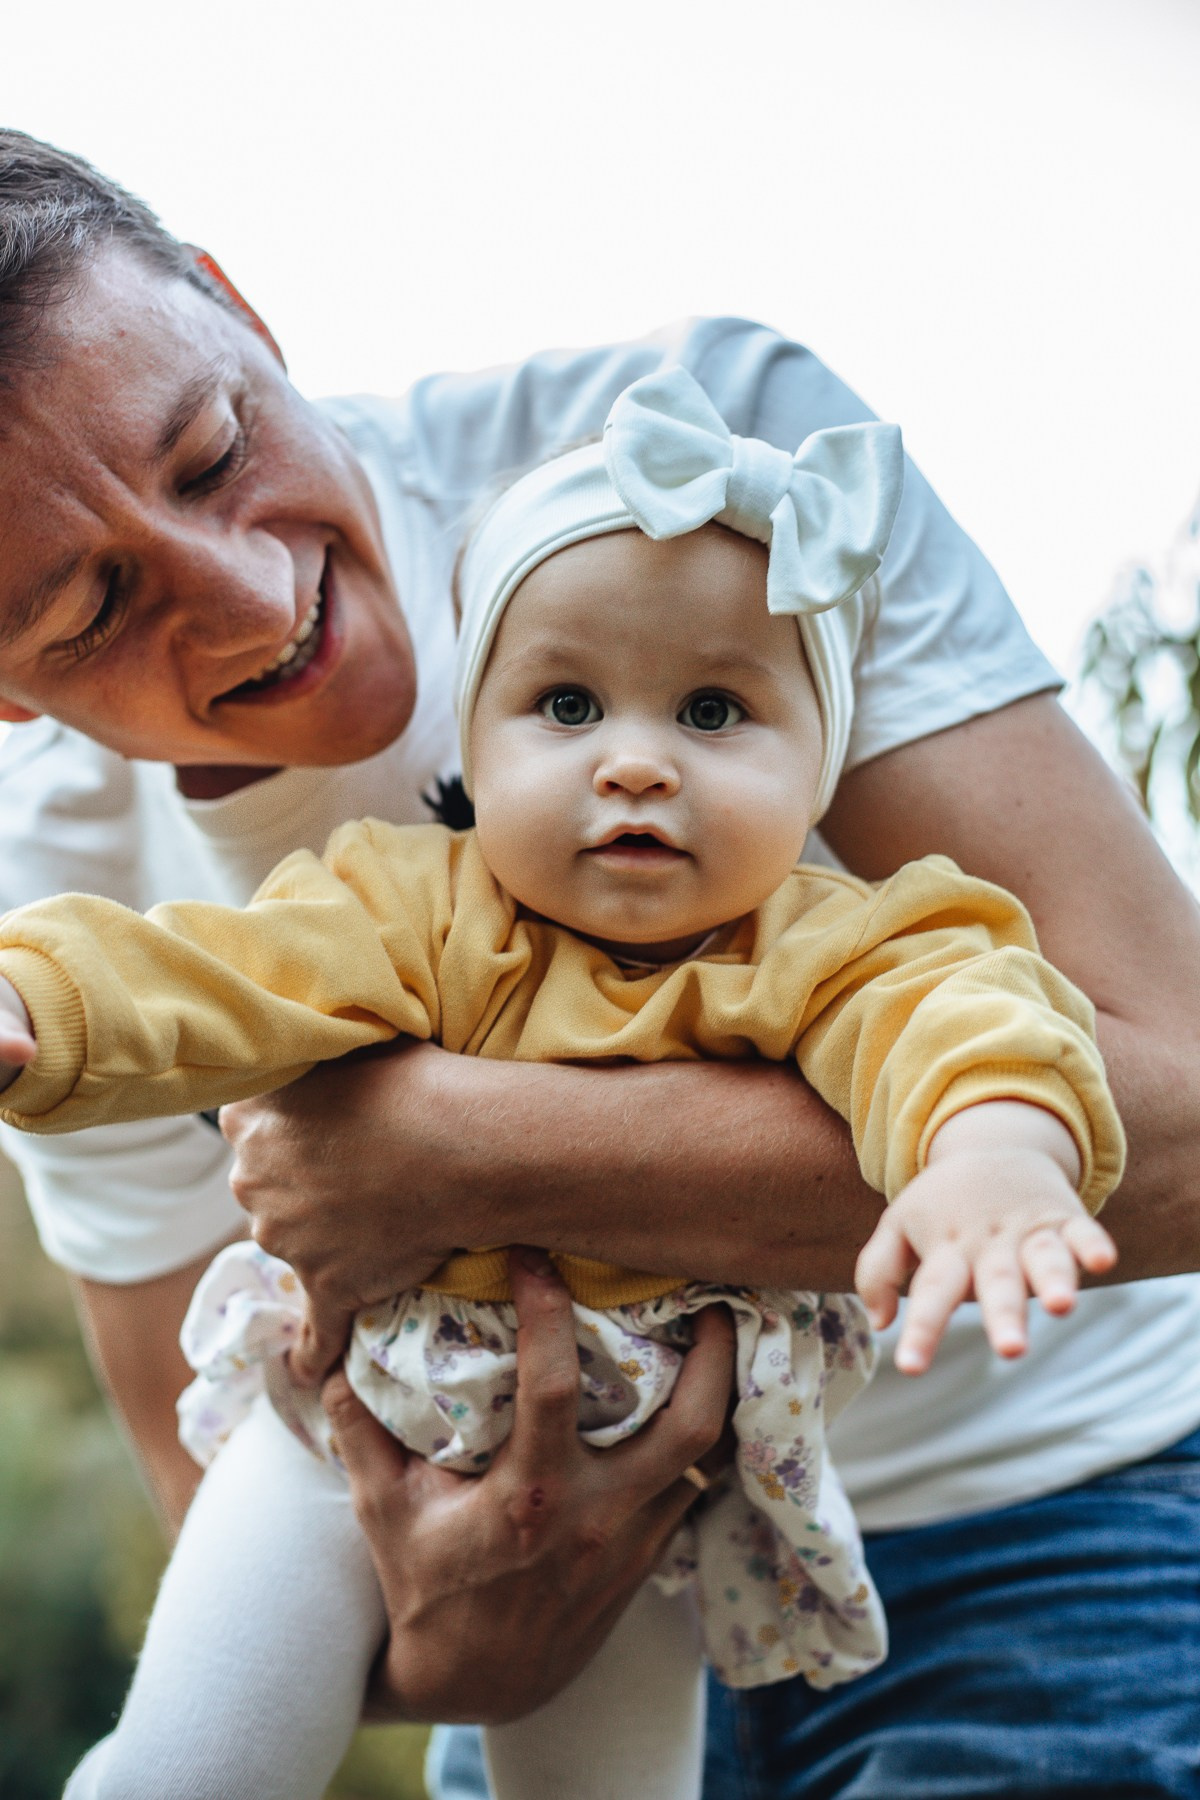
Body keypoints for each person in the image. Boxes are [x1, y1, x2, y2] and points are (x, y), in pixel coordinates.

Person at [0, 130, 1197, 1799]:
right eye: (91, 610)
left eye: (214, 453)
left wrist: (454, 1153)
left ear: (239, 308)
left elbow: (1068, 1064)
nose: (254, 596)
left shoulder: (704, 485)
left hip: (1048, 1513)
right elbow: (220, 1505)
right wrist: (455, 1638)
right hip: (538, 1548)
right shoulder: (323, 892)